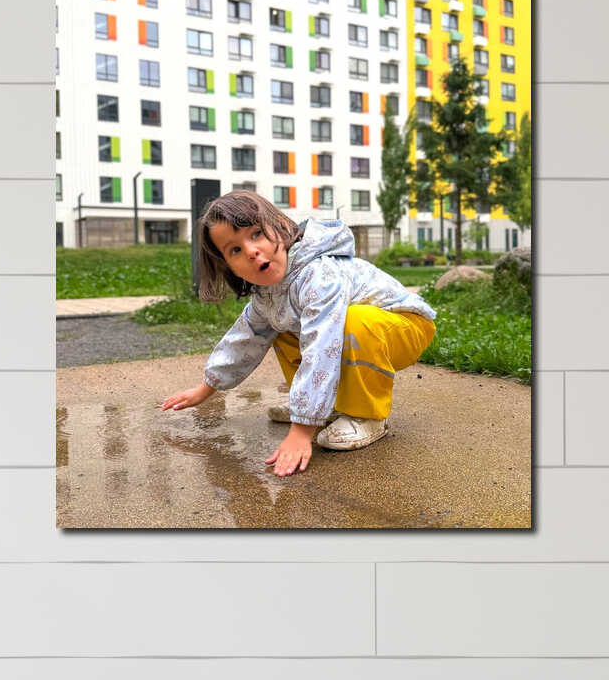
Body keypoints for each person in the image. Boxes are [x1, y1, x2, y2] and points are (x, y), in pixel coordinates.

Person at [157, 189, 436, 478]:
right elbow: (244, 339)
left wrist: (302, 431)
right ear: (228, 267)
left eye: (256, 235)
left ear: (279, 225)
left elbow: (322, 344)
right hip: (364, 334)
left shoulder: (319, 274)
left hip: (404, 326)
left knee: (352, 321)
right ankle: (324, 409)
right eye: (235, 250)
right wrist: (206, 388)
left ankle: (368, 415)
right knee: (281, 329)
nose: (251, 251)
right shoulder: (268, 295)